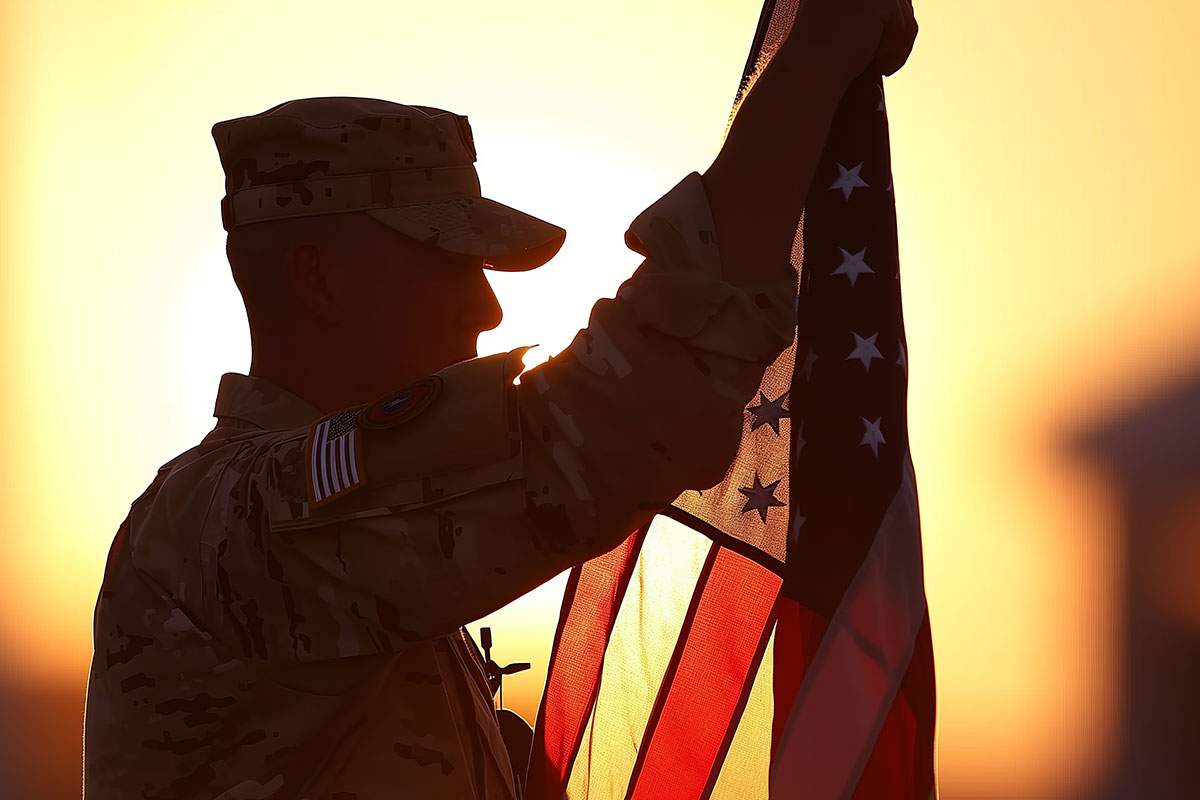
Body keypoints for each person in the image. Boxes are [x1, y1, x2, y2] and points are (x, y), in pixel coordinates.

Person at [82, 2, 916, 797]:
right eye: (446, 260)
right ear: (320, 279)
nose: (485, 309)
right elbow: (607, 427)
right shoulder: (232, 523)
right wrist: (810, 64)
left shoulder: (333, 542)